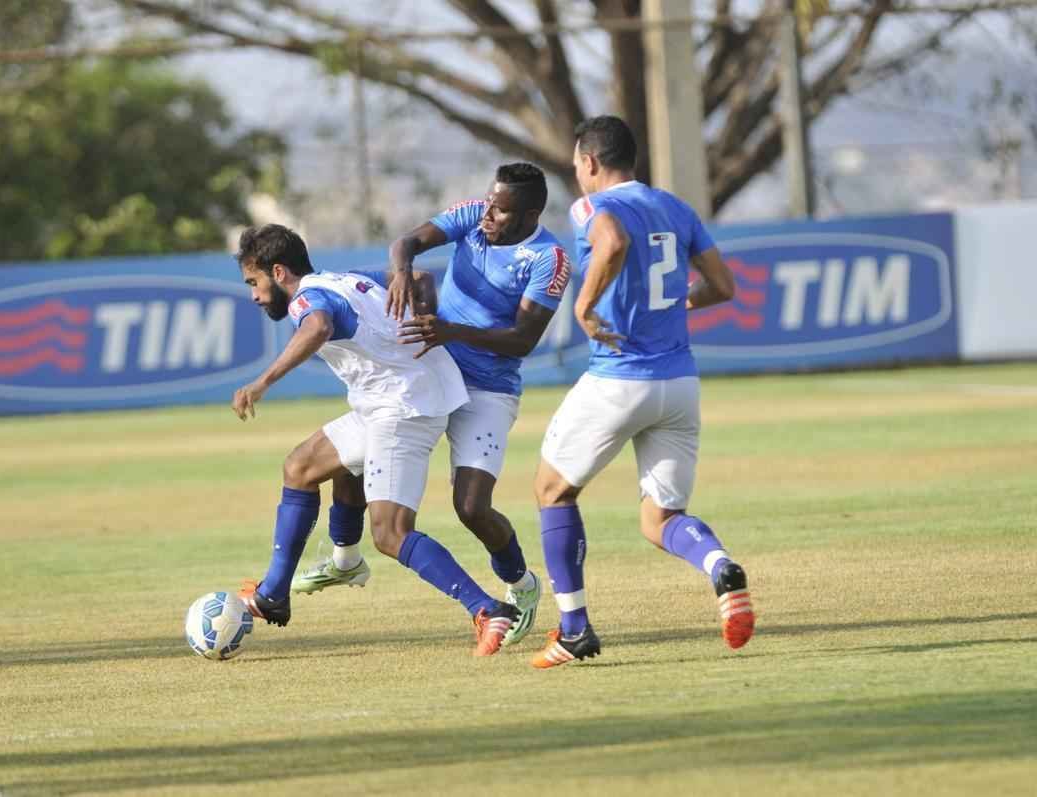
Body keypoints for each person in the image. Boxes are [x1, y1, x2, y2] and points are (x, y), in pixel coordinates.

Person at [291, 163, 571, 647]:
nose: (488, 215)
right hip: (429, 373)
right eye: (487, 202)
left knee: (471, 507)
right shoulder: (473, 216)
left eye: (501, 211)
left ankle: (522, 585)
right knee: (357, 450)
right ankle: (343, 559)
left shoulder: (549, 259)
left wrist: (452, 330)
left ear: (530, 214)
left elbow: (523, 340)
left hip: (488, 388)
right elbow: (407, 243)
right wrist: (401, 273)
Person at [230, 223, 520, 656]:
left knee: (390, 533)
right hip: (393, 398)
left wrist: (263, 382)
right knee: (301, 466)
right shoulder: (344, 278)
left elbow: (318, 328)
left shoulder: (307, 299)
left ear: (278, 271)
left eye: (254, 283)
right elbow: (419, 279)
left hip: (403, 410)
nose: (254, 295)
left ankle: (485, 608)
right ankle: (276, 591)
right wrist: (419, 324)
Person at [530, 115, 754, 669]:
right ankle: (720, 566)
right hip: (678, 383)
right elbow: (723, 286)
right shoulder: (677, 209)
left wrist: (583, 305)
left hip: (618, 378)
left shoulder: (591, 206)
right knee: (661, 518)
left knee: (551, 490)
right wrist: (681, 303)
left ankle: (575, 628)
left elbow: (611, 240)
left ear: (589, 163)